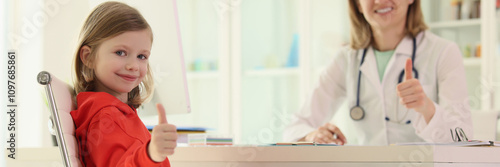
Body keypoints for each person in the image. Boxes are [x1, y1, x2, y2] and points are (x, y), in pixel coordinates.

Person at [283, 0, 473, 145]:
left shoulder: (443, 52)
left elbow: (462, 138)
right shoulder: (346, 59)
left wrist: (427, 109)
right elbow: (295, 126)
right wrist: (311, 135)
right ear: (357, 4)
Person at [70, 2, 177, 166]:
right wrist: (151, 153)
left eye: (141, 56)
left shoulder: (116, 113)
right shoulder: (106, 118)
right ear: (88, 57)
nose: (133, 65)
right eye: (120, 52)